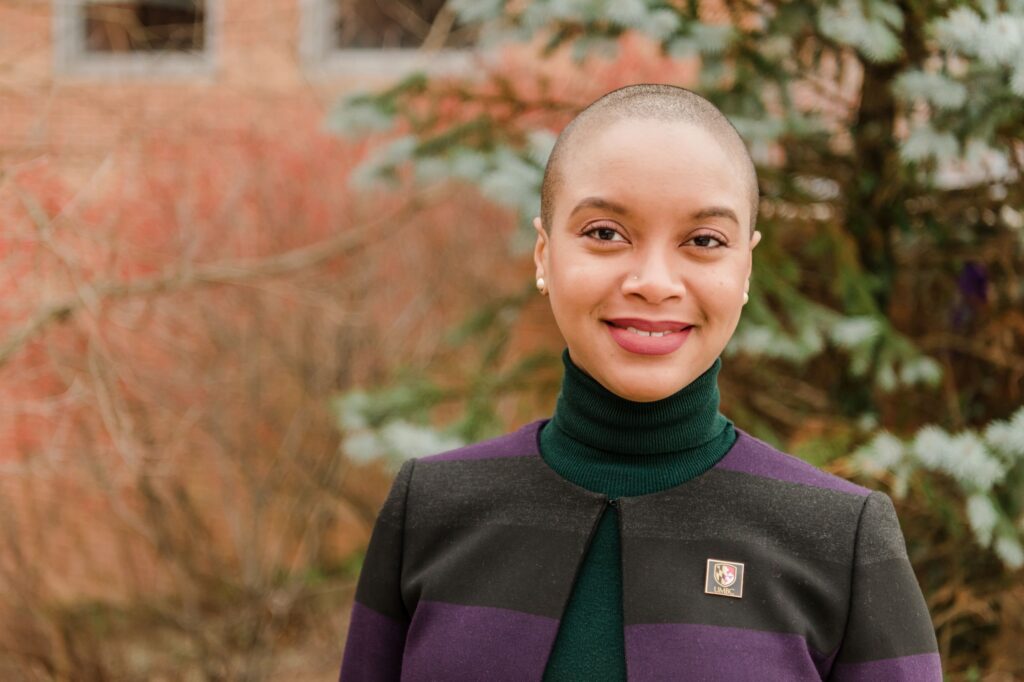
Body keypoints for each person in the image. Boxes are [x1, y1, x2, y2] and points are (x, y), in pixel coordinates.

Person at [339, 84, 941, 681]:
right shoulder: (429, 513)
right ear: (543, 254)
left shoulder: (840, 543)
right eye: (605, 233)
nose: (654, 282)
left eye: (704, 241)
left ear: (746, 268)